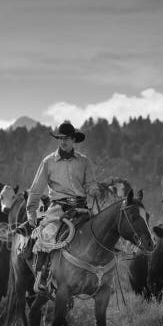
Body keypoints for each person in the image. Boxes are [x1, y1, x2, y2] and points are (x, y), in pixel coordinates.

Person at [25, 122, 100, 293]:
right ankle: (43, 275)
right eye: (60, 138)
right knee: (47, 234)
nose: (63, 142)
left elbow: (90, 184)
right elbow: (36, 189)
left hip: (82, 208)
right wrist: (31, 211)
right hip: (58, 208)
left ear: (74, 140)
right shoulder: (48, 162)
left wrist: (94, 190)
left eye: (66, 138)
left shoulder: (84, 161)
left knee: (101, 231)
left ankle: (101, 276)